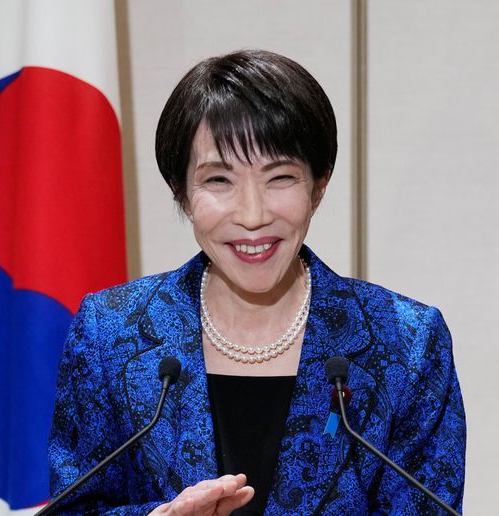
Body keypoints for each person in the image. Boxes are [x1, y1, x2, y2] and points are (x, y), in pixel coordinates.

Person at [48, 49, 465, 515]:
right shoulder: (113, 334)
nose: (253, 215)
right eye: (219, 180)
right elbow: (72, 508)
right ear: (183, 195)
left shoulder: (405, 342)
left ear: (318, 187)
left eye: (280, 177)